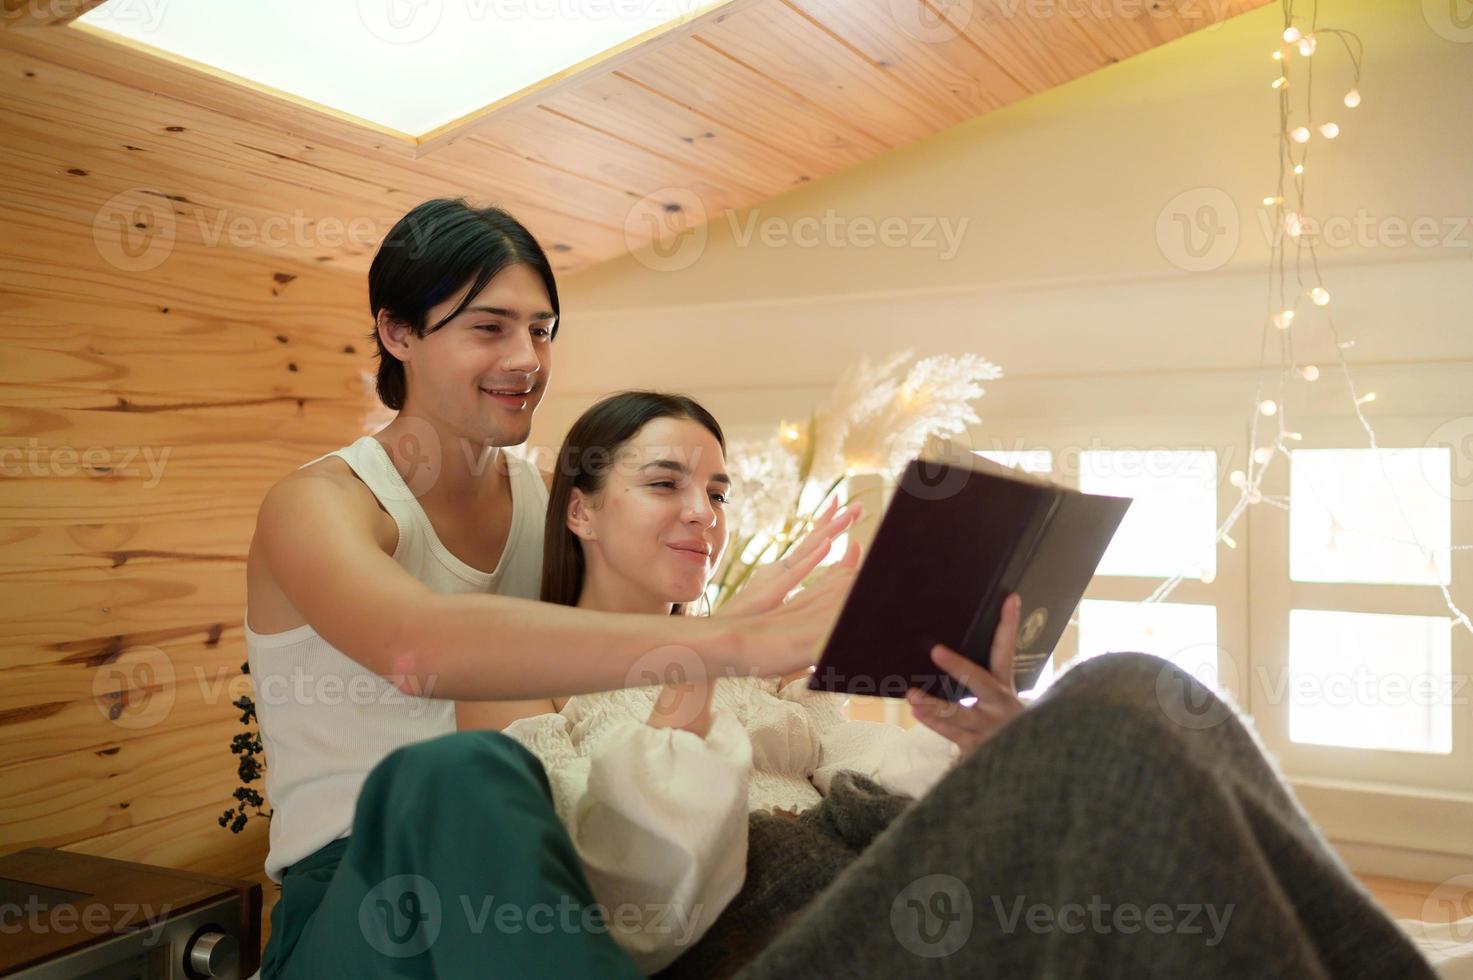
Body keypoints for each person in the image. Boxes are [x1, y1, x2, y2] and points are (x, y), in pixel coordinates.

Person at [466, 390, 1438, 979]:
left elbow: (874, 770)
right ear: (582, 509)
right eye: (665, 482)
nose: (703, 514)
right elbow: (643, 910)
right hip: (767, 941)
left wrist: (994, 753)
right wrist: (701, 672)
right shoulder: (528, 685)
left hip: (890, 879)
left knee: (1131, 682)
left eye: (717, 489)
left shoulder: (769, 669)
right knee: (1115, 711)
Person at [246, 200, 859, 978]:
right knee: (459, 769)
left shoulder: (550, 497)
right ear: (399, 333)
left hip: (538, 857)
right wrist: (728, 638)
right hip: (361, 882)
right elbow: (421, 648)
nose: (527, 356)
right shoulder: (320, 505)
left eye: (542, 329)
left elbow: (642, 615)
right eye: (488, 327)